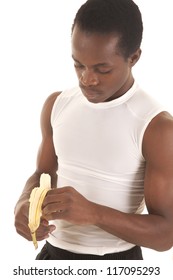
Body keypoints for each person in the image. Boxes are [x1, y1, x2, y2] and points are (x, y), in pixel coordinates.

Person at [14, 0, 173, 260]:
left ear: (133, 57)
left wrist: (94, 213)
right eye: (78, 64)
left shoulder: (157, 127)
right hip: (52, 257)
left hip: (115, 263)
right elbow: (43, 173)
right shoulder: (57, 104)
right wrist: (23, 203)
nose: (87, 79)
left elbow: (166, 234)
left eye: (102, 69)